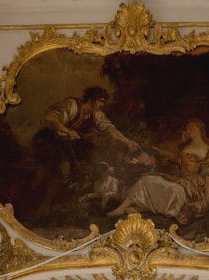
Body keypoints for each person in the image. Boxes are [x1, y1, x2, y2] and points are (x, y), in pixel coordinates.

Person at [32, 86, 139, 216]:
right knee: (63, 169)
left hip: (70, 144)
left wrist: (127, 141)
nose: (102, 105)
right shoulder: (72, 105)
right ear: (92, 99)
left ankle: (66, 204)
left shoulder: (96, 115)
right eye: (100, 101)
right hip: (50, 142)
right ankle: (44, 205)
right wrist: (67, 131)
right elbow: (50, 119)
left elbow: (111, 130)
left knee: (88, 167)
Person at [107, 119, 209, 225]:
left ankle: (142, 208)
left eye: (191, 128)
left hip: (197, 187)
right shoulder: (184, 147)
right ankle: (122, 208)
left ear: (200, 130)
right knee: (146, 180)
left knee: (174, 192)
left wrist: (206, 196)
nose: (187, 131)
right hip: (182, 181)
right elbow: (174, 157)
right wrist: (160, 150)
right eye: (187, 128)